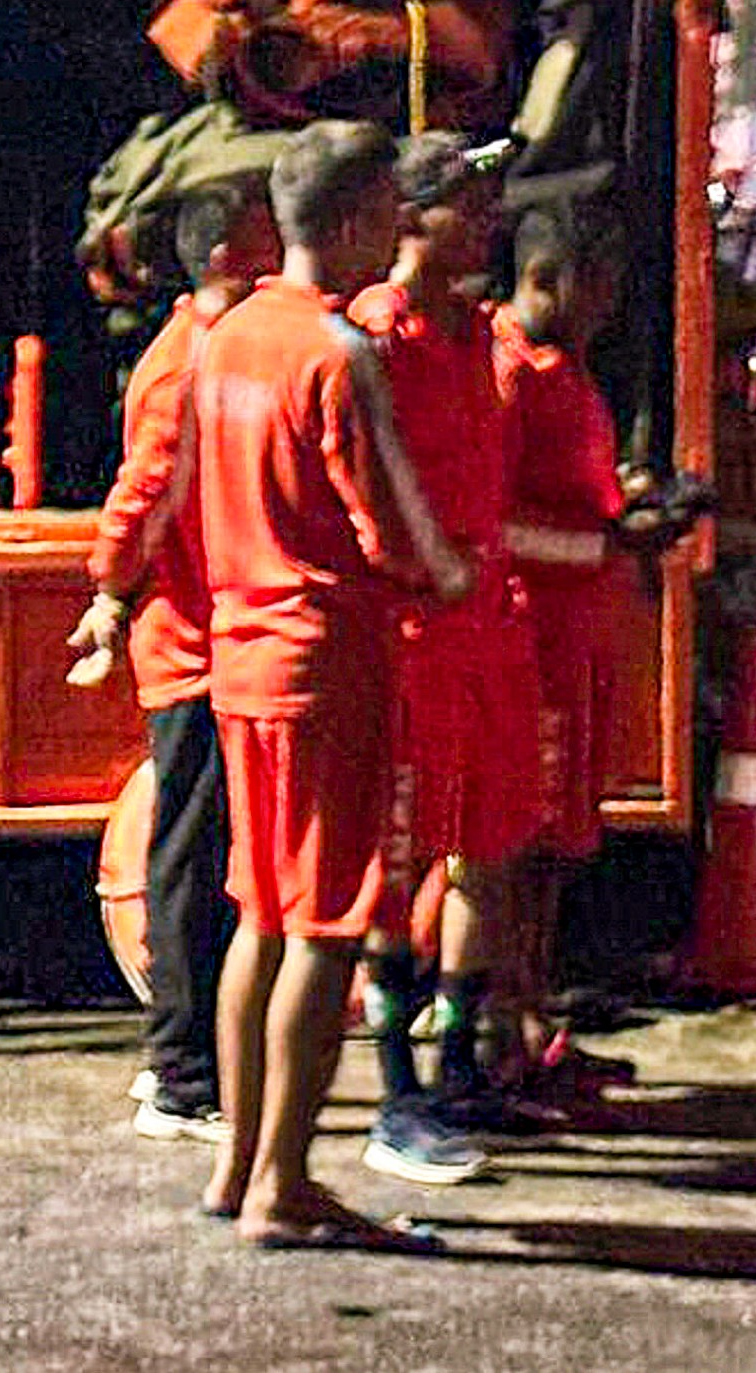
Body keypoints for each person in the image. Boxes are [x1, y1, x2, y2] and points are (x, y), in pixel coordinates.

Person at [185, 119, 459, 1253]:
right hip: (324, 663)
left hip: (241, 657)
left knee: (259, 913)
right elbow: (393, 524)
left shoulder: (228, 337)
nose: (403, 236)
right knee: (328, 924)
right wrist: (456, 575)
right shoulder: (336, 353)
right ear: (349, 225)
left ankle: (238, 1162)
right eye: (393, 215)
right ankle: (284, 1187)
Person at [71, 178, 280, 1145]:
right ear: (233, 255)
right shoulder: (191, 362)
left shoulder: (211, 349)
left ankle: (198, 1064)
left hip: (210, 636)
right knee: (189, 858)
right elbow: (145, 495)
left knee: (203, 853)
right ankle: (180, 1073)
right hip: (193, 644)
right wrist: (111, 591)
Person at [342, 135, 531, 1184]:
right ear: (411, 218)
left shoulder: (480, 333)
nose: (490, 214)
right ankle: (394, 1085)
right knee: (394, 863)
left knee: (486, 845)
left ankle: (457, 1059)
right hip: (412, 631)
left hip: (484, 632)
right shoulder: (373, 336)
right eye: (469, 198)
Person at [489, 202, 678, 1106]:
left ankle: (535, 1021)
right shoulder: (508, 373)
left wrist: (626, 507)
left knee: (558, 844)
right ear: (550, 276)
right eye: (596, 287)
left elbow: (571, 497)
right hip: (530, 642)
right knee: (519, 850)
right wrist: (610, 542)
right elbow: (491, 525)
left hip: (576, 643)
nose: (607, 306)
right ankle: (505, 1030)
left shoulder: (566, 371)